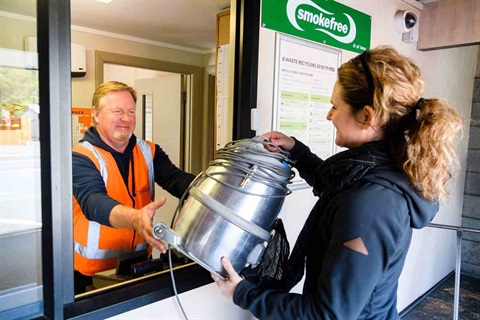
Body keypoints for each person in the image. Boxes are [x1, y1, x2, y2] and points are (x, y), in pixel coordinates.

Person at [212, 46, 463, 319]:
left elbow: (328, 315)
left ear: (367, 116)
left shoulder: (373, 204)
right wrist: (297, 151)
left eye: (335, 106)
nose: (329, 115)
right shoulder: (380, 170)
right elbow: (336, 188)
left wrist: (242, 293)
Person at [73, 81, 195, 294]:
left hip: (139, 266)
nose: (126, 118)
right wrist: (135, 219)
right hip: (91, 276)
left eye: (131, 111)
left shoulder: (149, 151)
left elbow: (177, 180)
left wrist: (211, 190)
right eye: (117, 111)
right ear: (96, 113)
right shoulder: (81, 156)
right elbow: (93, 201)